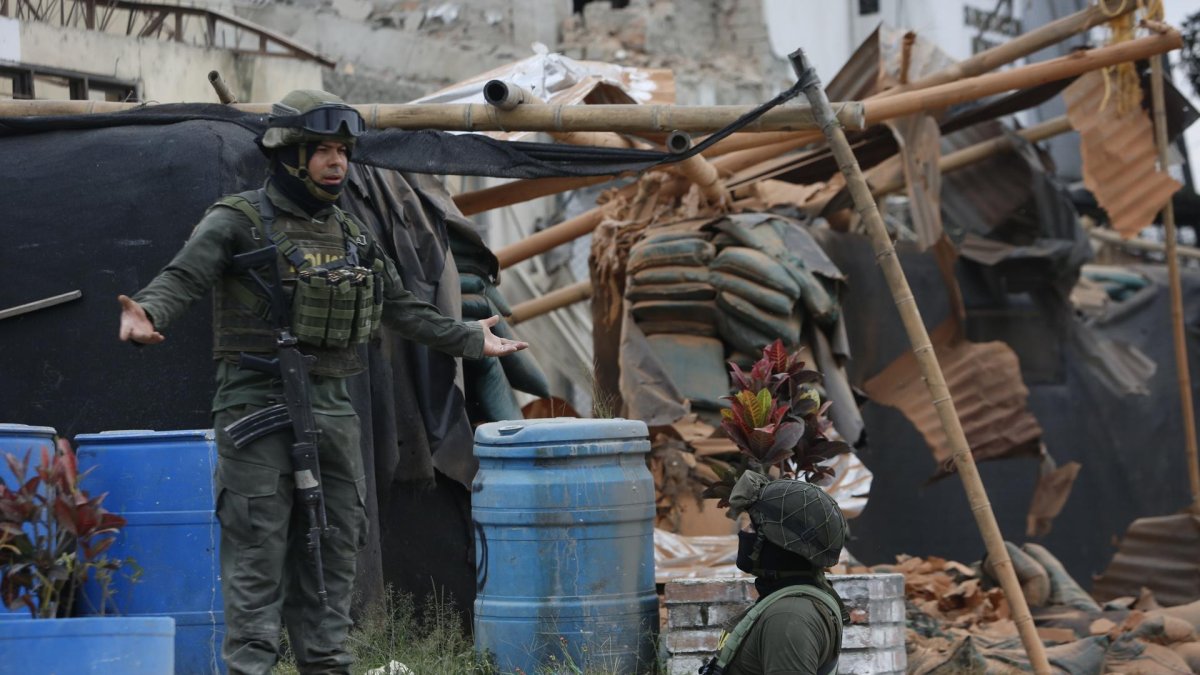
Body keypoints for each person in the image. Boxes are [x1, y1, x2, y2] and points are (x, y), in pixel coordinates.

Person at [116, 89, 528, 675]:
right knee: (258, 548)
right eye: (323, 151)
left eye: (342, 151)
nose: (337, 163)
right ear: (289, 154)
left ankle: (327, 664)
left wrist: (470, 338)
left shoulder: (353, 234)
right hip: (256, 403)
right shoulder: (237, 220)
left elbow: (403, 308)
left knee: (335, 546)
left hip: (334, 406)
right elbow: (184, 275)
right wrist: (149, 312)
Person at [701, 471, 850, 675]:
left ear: (778, 543)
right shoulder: (790, 606)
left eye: (753, 526)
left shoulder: (788, 616)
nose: (745, 531)